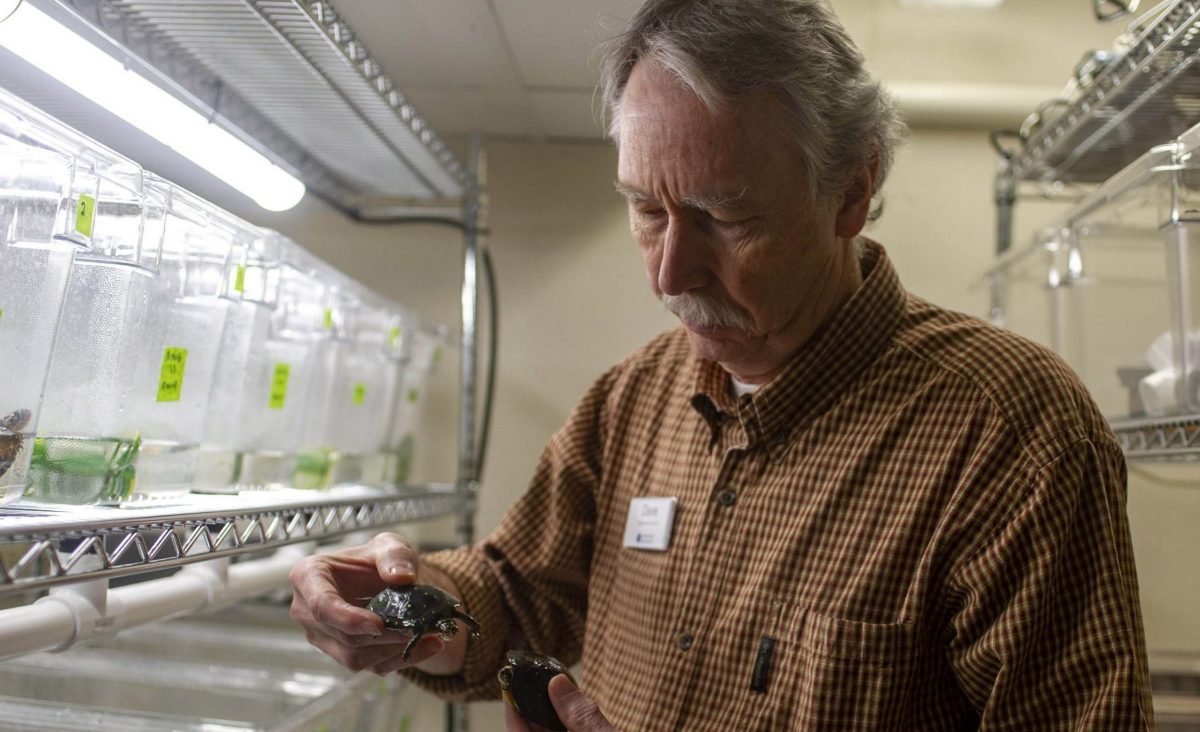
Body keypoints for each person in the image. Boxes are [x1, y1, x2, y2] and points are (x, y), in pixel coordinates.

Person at [289, 0, 1154, 729]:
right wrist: (404, 605)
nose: (670, 273)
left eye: (723, 216)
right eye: (645, 210)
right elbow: (517, 588)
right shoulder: (633, 397)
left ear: (852, 188)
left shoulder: (1011, 433)